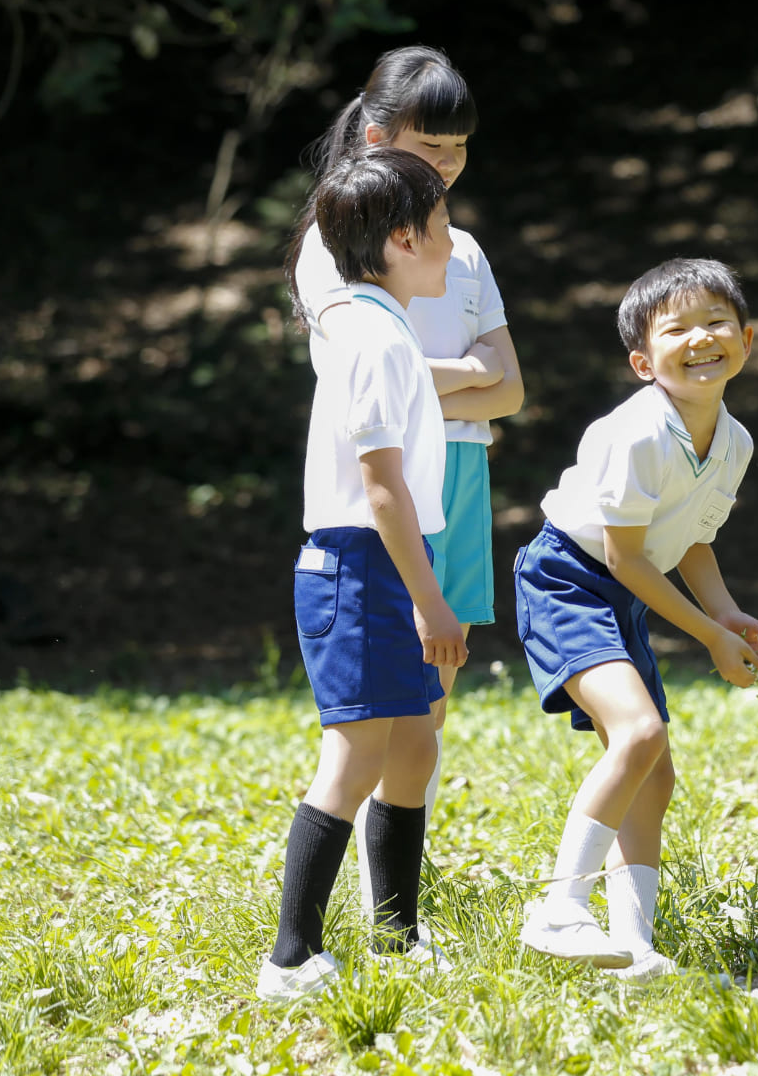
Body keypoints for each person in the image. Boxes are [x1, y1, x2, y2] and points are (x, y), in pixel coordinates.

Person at [286, 46, 523, 914]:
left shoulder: (454, 246)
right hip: (376, 503)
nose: (449, 163)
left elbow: (514, 385)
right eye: (432, 144)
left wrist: (445, 374)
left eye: (460, 146)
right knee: (363, 739)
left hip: (450, 479)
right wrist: (456, 373)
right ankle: (304, 940)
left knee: (423, 719)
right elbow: (368, 371)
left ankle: (396, 919)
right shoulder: (343, 245)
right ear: (379, 134)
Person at [513, 258, 758, 979]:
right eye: (678, 329)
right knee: (639, 733)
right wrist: (710, 637)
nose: (701, 338)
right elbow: (627, 559)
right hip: (567, 578)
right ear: (642, 360)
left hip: (622, 588)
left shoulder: (734, 442)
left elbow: (691, 538)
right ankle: (559, 908)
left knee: (652, 774)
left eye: (717, 322)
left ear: (746, 341)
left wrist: (727, 611)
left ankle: (634, 946)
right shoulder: (634, 434)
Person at [261, 147, 468, 1000]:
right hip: (364, 567)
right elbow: (381, 488)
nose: (455, 238)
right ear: (404, 239)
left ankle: (397, 936)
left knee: (413, 743)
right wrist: (431, 602)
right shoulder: (377, 341)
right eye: (445, 224)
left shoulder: (381, 325)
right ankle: (291, 959)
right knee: (355, 757)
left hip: (386, 566)